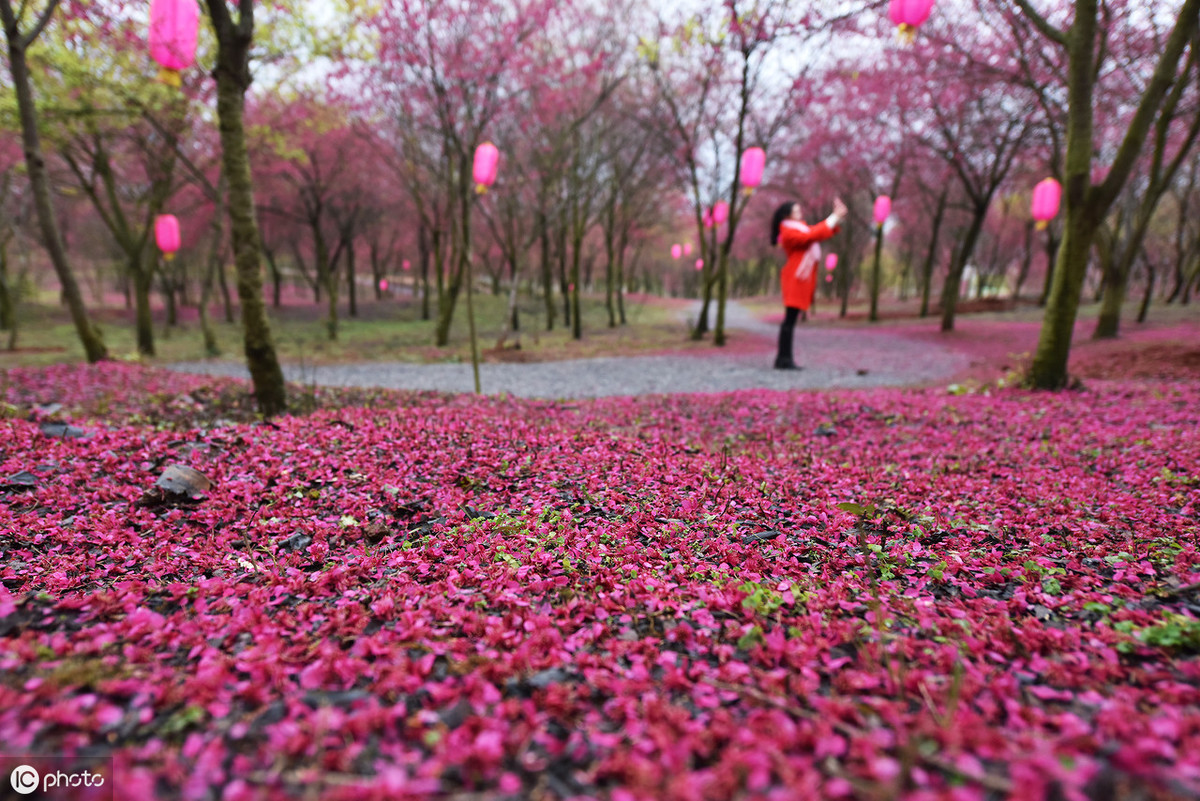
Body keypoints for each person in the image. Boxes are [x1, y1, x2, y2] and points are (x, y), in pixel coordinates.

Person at [770, 197, 848, 369]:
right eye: (796, 211)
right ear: (786, 215)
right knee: (789, 320)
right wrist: (833, 217)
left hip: (799, 278)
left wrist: (837, 218)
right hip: (795, 278)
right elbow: (811, 235)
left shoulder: (798, 228)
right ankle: (784, 359)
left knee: (790, 320)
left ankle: (783, 358)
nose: (800, 214)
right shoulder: (788, 232)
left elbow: (817, 232)